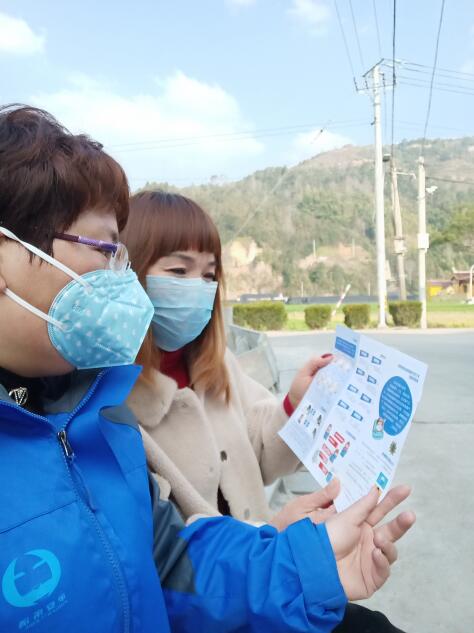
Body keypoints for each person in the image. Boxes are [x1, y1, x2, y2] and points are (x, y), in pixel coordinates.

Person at [0, 105, 414, 633]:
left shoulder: (91, 408)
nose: (116, 276)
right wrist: (278, 543)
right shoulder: (113, 399)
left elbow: (170, 564)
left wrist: (298, 556)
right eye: (105, 250)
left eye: (210, 274)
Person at [122, 191, 411, 632]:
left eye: (209, 275)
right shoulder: (112, 402)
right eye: (179, 271)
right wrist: (273, 535)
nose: (198, 288)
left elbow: (262, 456)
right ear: (129, 273)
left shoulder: (218, 366)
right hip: (215, 604)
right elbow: (162, 554)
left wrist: (297, 404)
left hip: (270, 575)